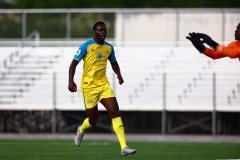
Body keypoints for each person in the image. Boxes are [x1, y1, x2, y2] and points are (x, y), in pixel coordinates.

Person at [68, 21, 136, 156]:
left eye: (104, 30)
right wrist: (71, 82)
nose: (103, 32)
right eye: (100, 30)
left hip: (104, 85)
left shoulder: (109, 48)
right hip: (89, 87)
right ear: (94, 32)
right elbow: (73, 65)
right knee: (93, 121)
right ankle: (81, 129)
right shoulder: (86, 46)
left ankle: (124, 147)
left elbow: (114, 62)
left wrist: (119, 74)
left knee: (115, 112)